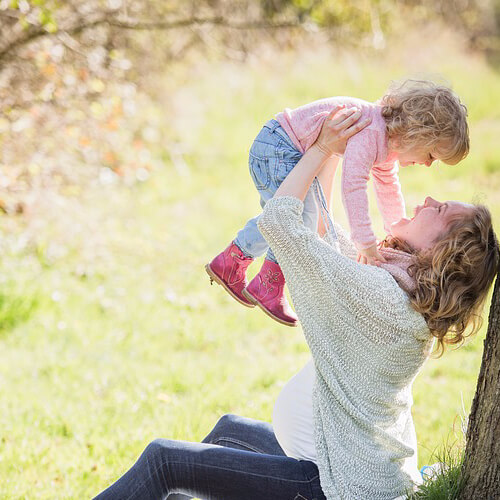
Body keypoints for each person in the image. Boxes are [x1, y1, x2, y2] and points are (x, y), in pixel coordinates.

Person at [94, 107, 498, 500]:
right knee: (228, 431)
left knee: (165, 461)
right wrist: (341, 148)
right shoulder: (397, 286)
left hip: (337, 489)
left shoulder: (383, 300)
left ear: (443, 253)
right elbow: (321, 233)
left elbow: (281, 224)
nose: (427, 199)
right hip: (328, 464)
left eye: (440, 209)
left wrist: (320, 150)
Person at [206, 80, 470, 327]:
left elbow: (388, 188)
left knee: (293, 215)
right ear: (417, 133)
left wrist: (396, 228)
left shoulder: (387, 143)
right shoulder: (372, 131)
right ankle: (267, 282)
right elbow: (353, 184)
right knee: (294, 216)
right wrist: (365, 242)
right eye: (431, 155)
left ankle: (233, 262)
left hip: (284, 147)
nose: (426, 164)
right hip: (279, 147)